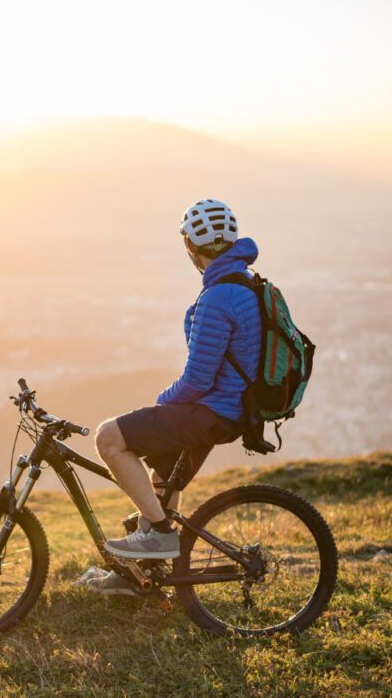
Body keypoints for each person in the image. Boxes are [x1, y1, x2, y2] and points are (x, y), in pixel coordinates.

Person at [86, 199, 261, 594]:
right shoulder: (246, 284)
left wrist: (163, 402)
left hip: (211, 410)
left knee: (109, 437)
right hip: (230, 411)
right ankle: (139, 578)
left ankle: (162, 534)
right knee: (162, 483)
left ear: (191, 248)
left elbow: (197, 380)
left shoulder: (219, 297)